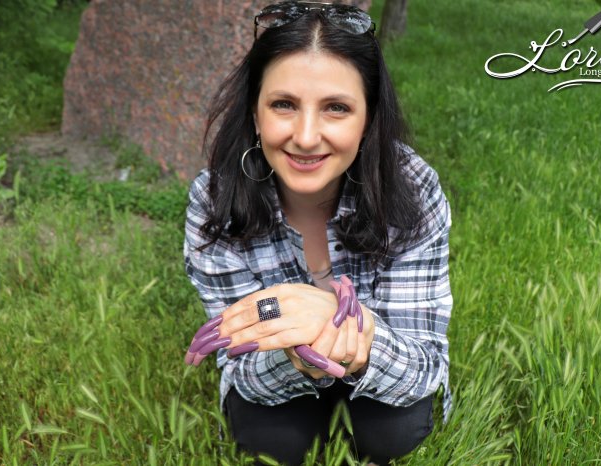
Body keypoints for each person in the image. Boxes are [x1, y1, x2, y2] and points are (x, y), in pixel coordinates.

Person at [183, 2, 453, 465]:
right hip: (277, 370)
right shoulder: (215, 201)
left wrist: (359, 332)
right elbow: (243, 368)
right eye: (284, 104)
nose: (306, 137)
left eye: (336, 108)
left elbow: (422, 367)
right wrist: (298, 351)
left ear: (369, 118)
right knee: (272, 440)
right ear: (254, 111)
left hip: (380, 359)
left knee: (394, 432)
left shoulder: (413, 187)